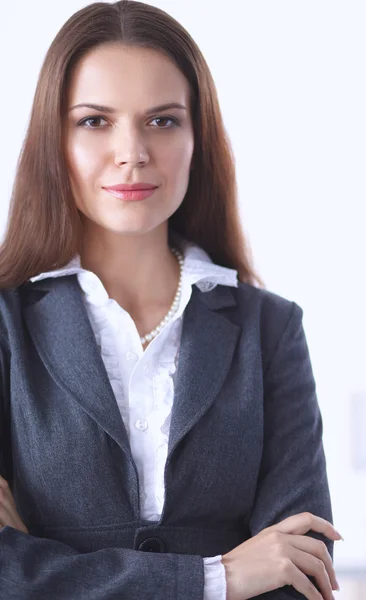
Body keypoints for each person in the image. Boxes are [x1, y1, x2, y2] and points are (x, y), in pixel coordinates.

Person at [0, 1, 341, 598]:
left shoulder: (271, 329)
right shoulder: (6, 325)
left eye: (162, 121)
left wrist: (49, 564)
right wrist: (219, 577)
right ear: (53, 139)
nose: (131, 152)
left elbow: (300, 570)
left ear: (197, 137)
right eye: (93, 121)